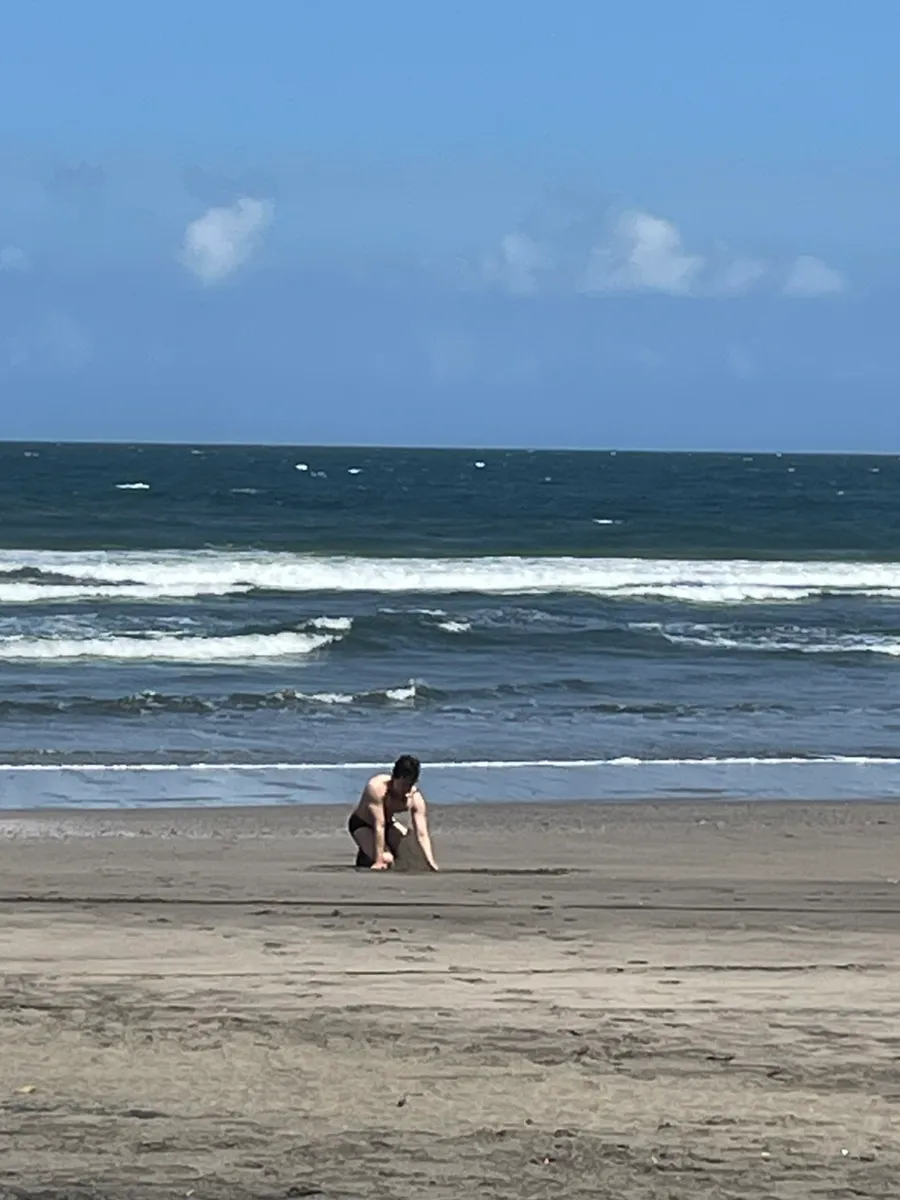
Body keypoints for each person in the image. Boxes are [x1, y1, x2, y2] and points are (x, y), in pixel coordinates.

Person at [348, 754, 439, 871]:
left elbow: (422, 833)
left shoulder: (415, 797)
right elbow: (379, 825)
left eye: (410, 785)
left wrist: (430, 862)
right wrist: (379, 861)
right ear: (394, 778)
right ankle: (366, 855)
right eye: (403, 784)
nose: (406, 789)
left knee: (410, 850)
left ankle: (373, 850)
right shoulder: (377, 788)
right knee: (387, 859)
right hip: (363, 824)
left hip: (388, 824)